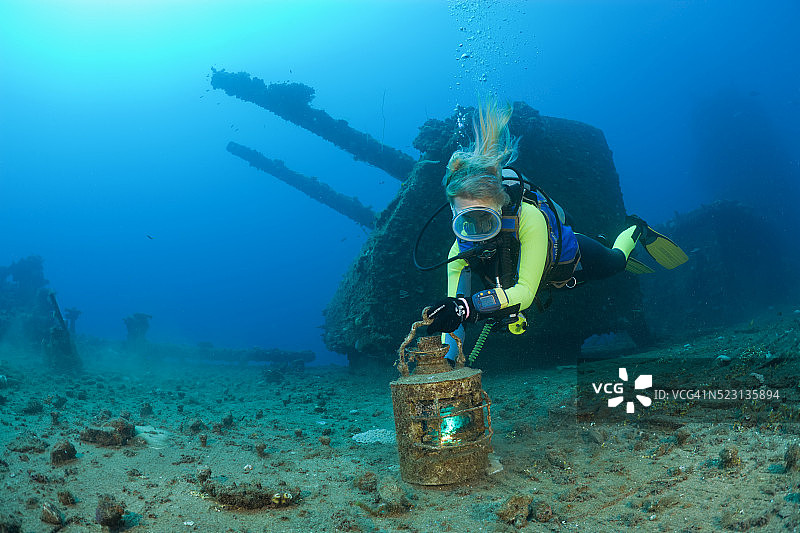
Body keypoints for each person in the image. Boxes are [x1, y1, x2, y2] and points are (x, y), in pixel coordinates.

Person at [425, 102, 687, 364]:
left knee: (617, 261)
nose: (477, 232)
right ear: (452, 214)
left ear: (500, 203)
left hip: (570, 264)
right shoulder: (460, 249)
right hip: (522, 283)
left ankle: (635, 229)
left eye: (486, 219)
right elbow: (454, 314)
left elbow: (525, 293)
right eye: (466, 221)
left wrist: (466, 308)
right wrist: (447, 360)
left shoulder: (530, 219)